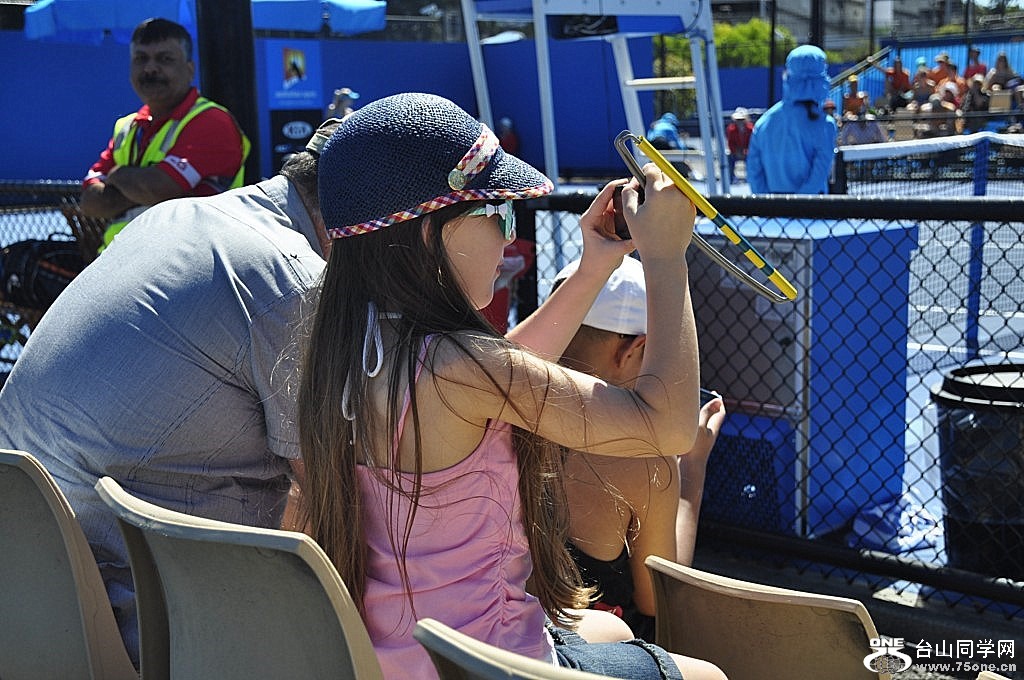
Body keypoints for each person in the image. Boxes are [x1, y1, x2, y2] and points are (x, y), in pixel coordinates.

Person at [298, 92, 726, 680]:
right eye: (498, 212)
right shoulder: (462, 366)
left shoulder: (352, 350)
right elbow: (669, 426)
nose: (508, 236)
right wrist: (666, 258)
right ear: (431, 233)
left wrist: (595, 267)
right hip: (487, 663)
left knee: (610, 629)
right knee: (710, 676)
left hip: (398, 655)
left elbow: (501, 372)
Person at [0, 117, 342, 667]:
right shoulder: (292, 280)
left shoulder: (173, 216)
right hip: (146, 623)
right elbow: (332, 498)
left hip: (30, 593)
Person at [553, 256, 726, 643]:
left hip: (499, 640)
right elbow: (660, 597)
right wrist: (691, 470)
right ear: (633, 350)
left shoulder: (507, 410)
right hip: (588, 656)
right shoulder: (643, 457)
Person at [79, 18, 250, 251]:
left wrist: (117, 176)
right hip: (119, 260)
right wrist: (149, 188)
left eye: (165, 59)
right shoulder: (127, 127)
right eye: (141, 59)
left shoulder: (212, 121)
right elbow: (89, 202)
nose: (150, 68)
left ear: (190, 70)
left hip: (189, 264)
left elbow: (158, 189)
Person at [746, 45, 837, 195]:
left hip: (771, 206)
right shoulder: (825, 124)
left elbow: (754, 172)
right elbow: (819, 175)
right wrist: (798, 203)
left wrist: (767, 203)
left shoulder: (764, 122)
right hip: (811, 206)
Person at [725, 107, 753, 183]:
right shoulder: (731, 129)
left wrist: (746, 152)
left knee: (753, 158)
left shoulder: (751, 129)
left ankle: (751, 178)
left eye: (742, 120)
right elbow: (730, 143)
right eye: (738, 120)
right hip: (736, 152)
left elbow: (752, 143)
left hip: (747, 152)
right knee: (729, 158)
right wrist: (736, 152)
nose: (740, 122)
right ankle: (730, 179)